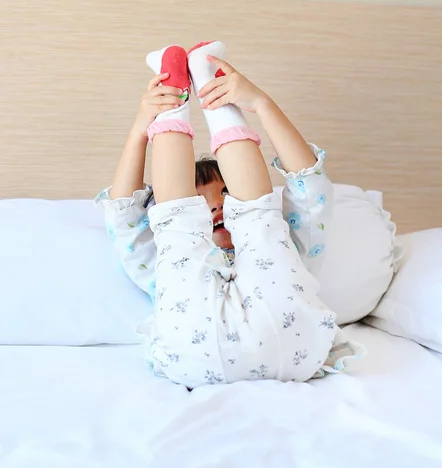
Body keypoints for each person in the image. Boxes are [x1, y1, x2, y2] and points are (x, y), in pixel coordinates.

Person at [95, 41, 364, 388]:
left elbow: (310, 189)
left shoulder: (289, 248)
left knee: (257, 222)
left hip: (262, 344)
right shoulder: (160, 261)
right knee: (182, 229)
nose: (217, 205)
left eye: (225, 193)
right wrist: (140, 128)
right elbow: (125, 218)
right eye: (199, 198)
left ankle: (195, 88)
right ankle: (176, 96)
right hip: (210, 346)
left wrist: (261, 104)